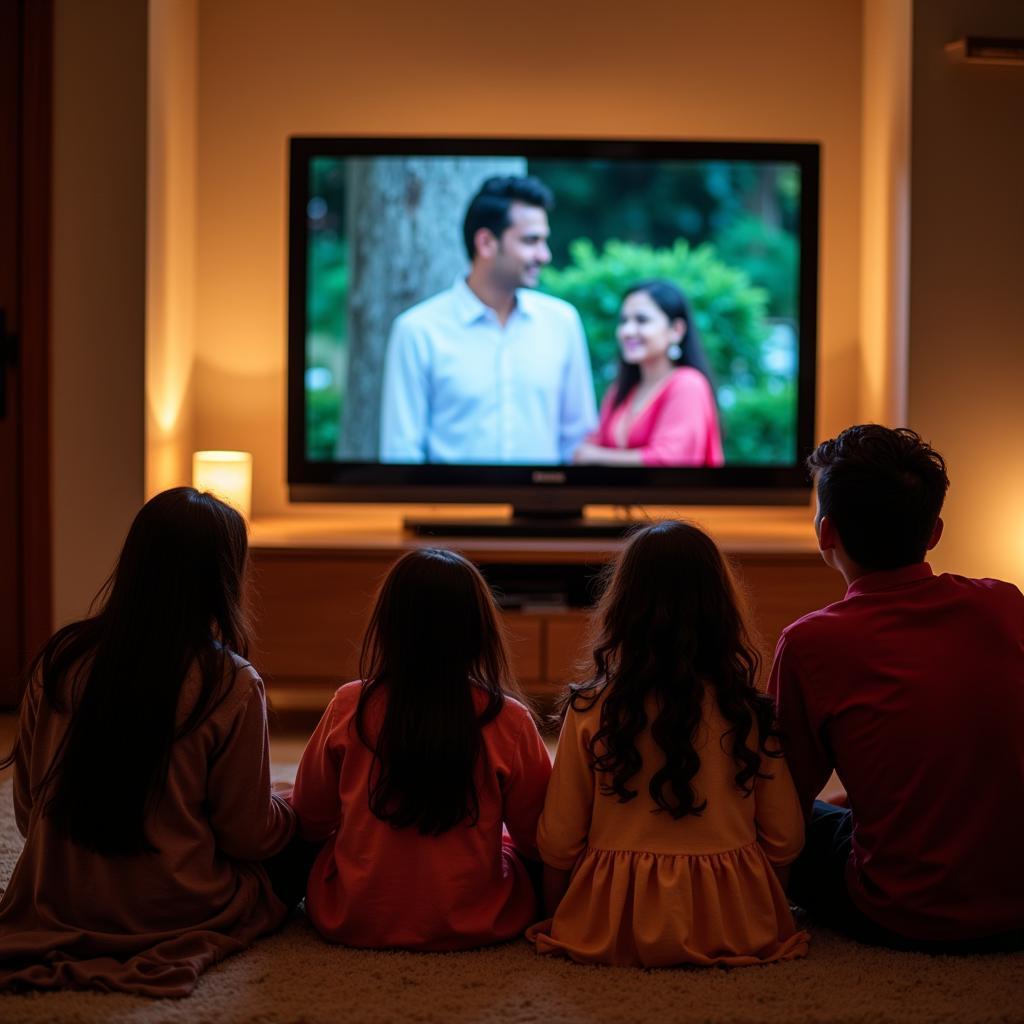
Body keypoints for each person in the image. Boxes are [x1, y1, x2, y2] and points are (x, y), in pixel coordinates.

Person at [0, 488, 296, 998]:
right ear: (223, 580)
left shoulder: (61, 659)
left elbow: (27, 813)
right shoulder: (230, 682)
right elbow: (247, 837)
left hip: (56, 899)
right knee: (306, 844)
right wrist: (289, 810)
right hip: (175, 906)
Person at [768, 425, 1024, 951]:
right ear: (934, 531)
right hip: (1017, 906)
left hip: (901, 912)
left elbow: (782, 803)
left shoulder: (812, 642)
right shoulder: (1007, 604)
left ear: (825, 533)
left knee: (789, 819)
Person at [528, 520, 808, 967]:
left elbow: (558, 841)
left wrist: (557, 915)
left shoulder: (590, 709)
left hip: (614, 920)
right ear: (721, 609)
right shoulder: (748, 711)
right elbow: (785, 839)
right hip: (731, 921)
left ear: (621, 608)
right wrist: (772, 913)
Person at [290, 547, 552, 950]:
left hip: (353, 916)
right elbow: (538, 840)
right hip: (475, 921)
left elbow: (309, 818)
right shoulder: (510, 720)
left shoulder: (349, 705)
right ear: (479, 632)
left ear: (388, 626)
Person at [379, 175, 597, 464]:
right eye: (531, 241)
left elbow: (578, 440)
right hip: (449, 508)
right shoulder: (418, 331)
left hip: (540, 508)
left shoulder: (562, 322)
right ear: (486, 243)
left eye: (544, 241)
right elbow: (401, 451)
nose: (544, 255)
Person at [572, 280, 723, 467]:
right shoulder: (621, 389)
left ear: (676, 330)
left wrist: (597, 457)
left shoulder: (688, 384)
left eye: (641, 320)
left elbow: (669, 461)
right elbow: (591, 444)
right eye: (624, 321)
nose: (627, 331)